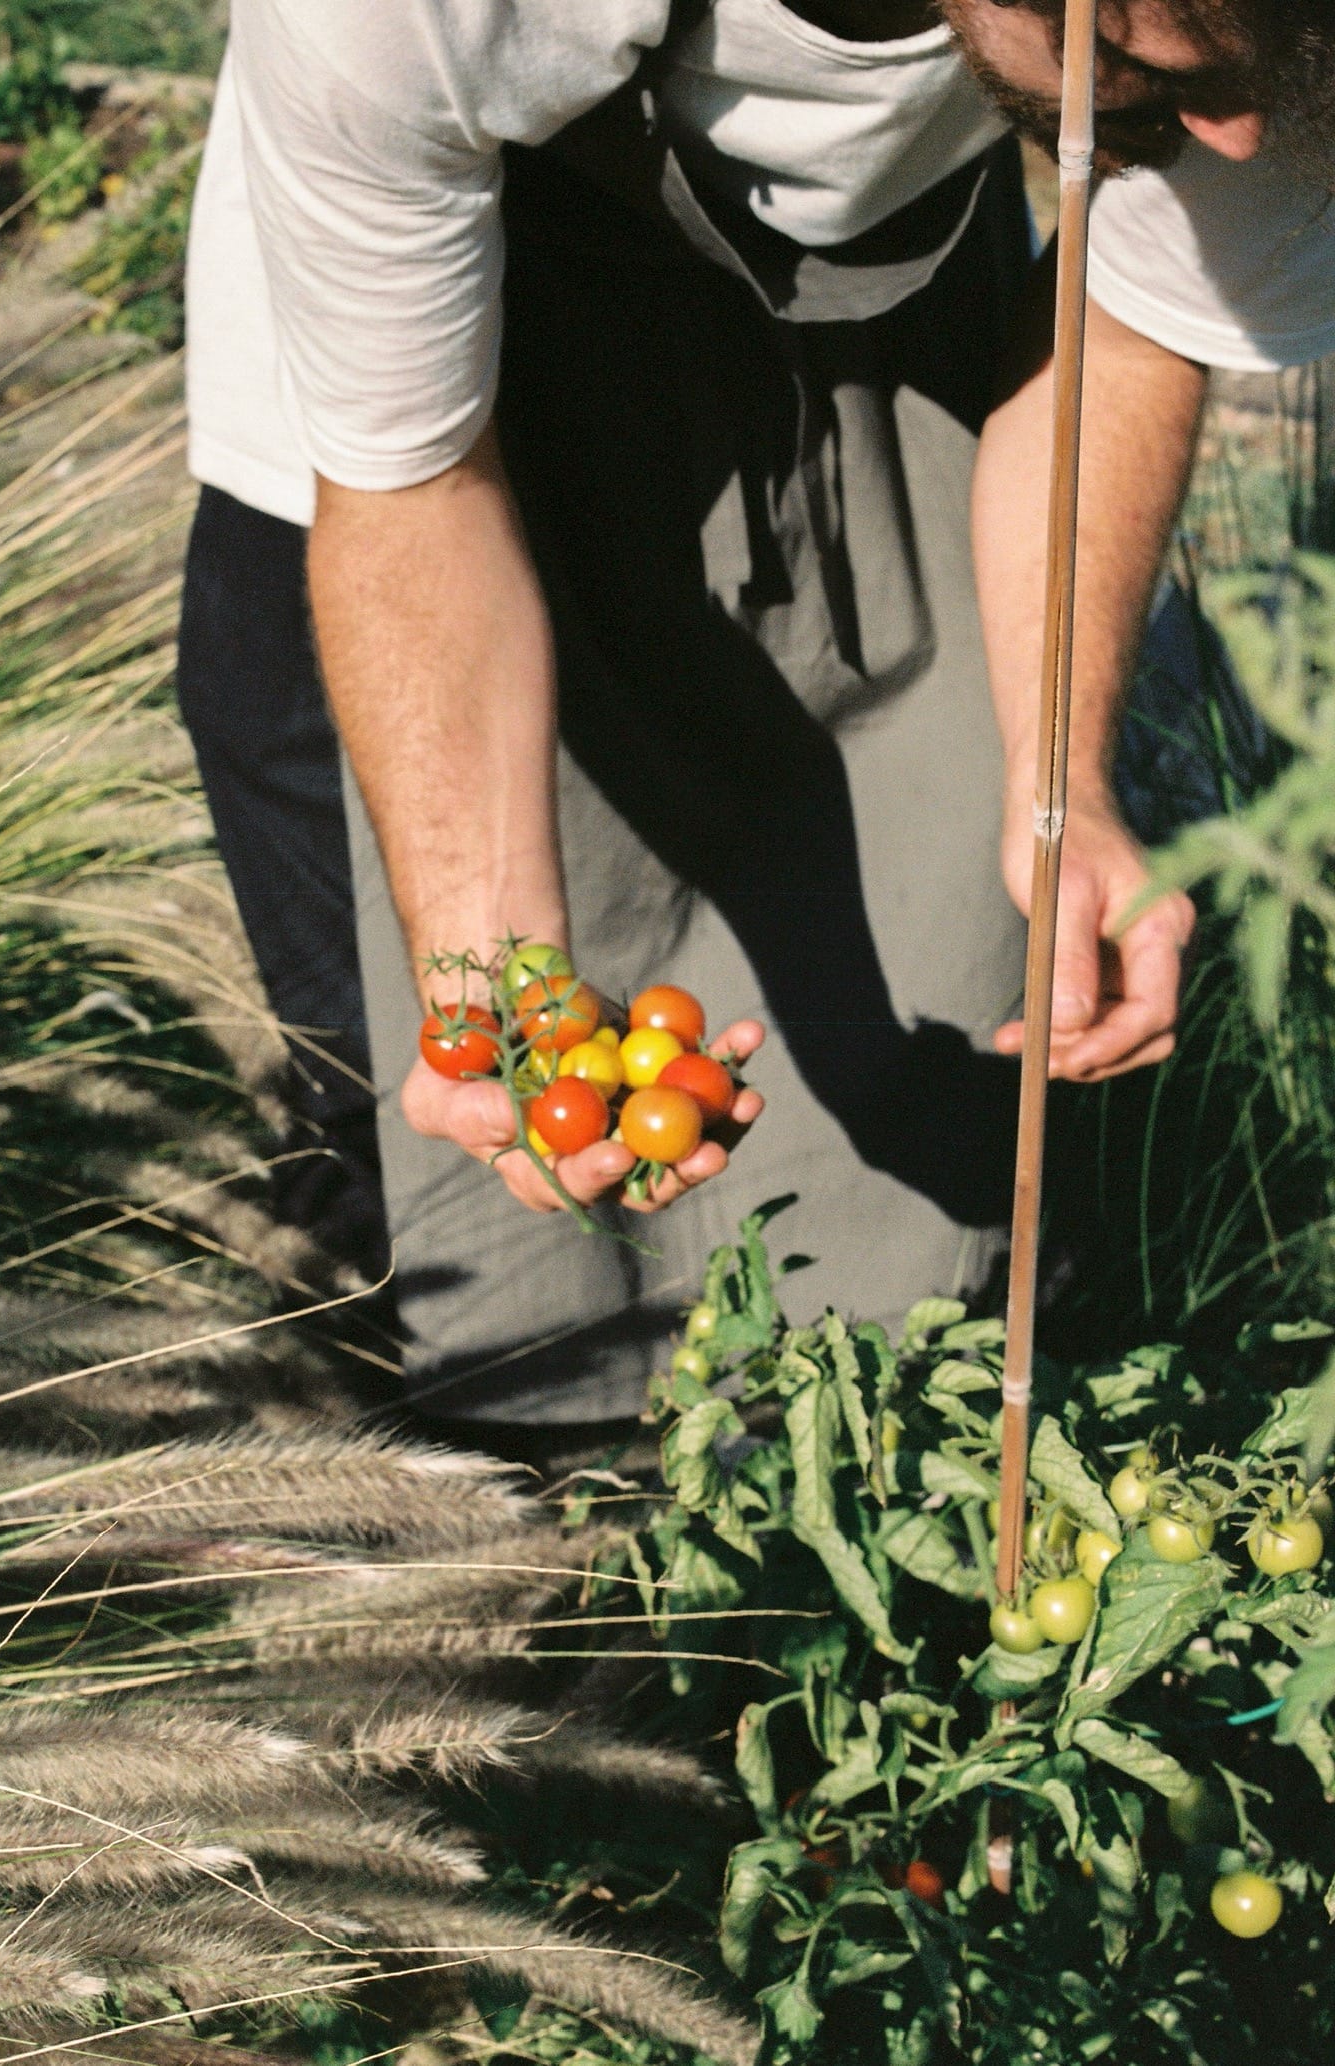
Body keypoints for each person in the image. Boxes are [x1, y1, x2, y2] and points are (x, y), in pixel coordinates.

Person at [178, 0, 1335, 1434]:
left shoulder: (1260, 41)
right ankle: (506, 1521)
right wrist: (500, 988)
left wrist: (1065, 777)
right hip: (424, 367)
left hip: (880, 348)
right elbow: (413, 489)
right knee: (405, 1119)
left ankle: (812, 1496)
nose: (1240, 131)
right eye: (1160, 73)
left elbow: (1130, 319)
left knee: (926, 986)